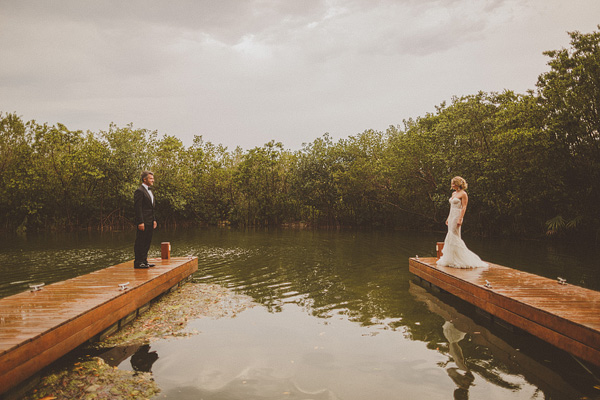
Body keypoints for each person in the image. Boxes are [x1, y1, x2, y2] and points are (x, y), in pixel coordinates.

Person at [437, 176, 488, 269]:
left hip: (457, 215)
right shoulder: (453, 194)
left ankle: (461, 258)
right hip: (452, 215)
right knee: (450, 235)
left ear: (457, 184)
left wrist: (460, 218)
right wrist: (448, 217)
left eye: (453, 183)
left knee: (454, 235)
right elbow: (451, 207)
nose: (452, 185)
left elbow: (464, 207)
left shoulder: (463, 194)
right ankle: (451, 258)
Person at [133, 171, 157, 269]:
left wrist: (154, 220)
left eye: (152, 178)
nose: (153, 180)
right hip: (143, 221)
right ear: (145, 179)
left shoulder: (149, 191)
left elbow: (151, 208)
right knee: (140, 241)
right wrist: (140, 222)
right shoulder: (139, 191)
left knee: (147, 241)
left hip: (150, 221)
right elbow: (138, 208)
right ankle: (138, 262)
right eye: (151, 178)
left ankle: (144, 260)